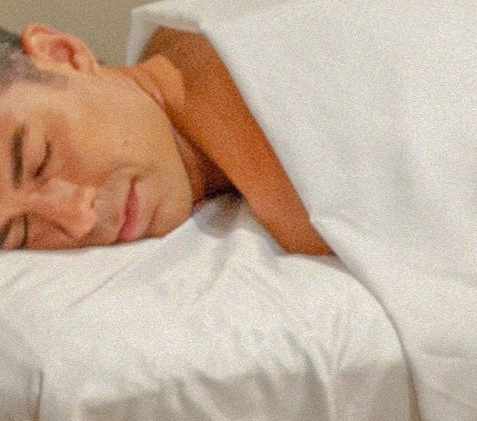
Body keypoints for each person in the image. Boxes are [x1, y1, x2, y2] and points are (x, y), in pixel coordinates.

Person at [0, 23, 325, 255]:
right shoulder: (172, 40)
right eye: (22, 232)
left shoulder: (303, 191)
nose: (78, 219)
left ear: (63, 55)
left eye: (42, 157)